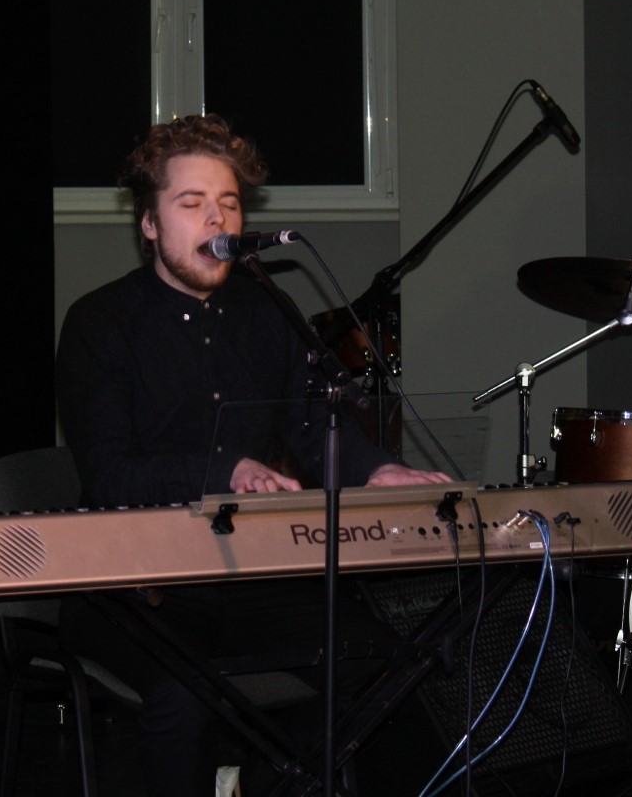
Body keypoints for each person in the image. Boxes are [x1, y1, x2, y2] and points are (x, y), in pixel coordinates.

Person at [56, 114, 451, 795]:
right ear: (149, 223)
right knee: (185, 695)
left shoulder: (266, 309)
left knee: (387, 665)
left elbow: (312, 424)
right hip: (137, 585)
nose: (217, 218)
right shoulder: (100, 322)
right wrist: (225, 472)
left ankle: (270, 781)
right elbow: (110, 474)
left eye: (229, 203)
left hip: (246, 574)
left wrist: (376, 470)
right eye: (192, 203)